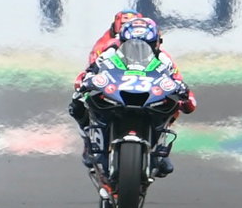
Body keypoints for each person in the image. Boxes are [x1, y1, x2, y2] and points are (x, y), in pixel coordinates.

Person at [68, 17, 197, 175]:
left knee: (173, 102)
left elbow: (180, 85)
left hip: (149, 97)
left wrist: (185, 95)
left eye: (146, 45)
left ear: (157, 43)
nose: (138, 49)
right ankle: (89, 140)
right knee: (79, 102)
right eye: (130, 44)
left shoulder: (165, 59)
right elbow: (89, 72)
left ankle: (159, 149)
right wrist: (85, 81)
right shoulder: (109, 52)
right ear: (121, 42)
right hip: (117, 94)